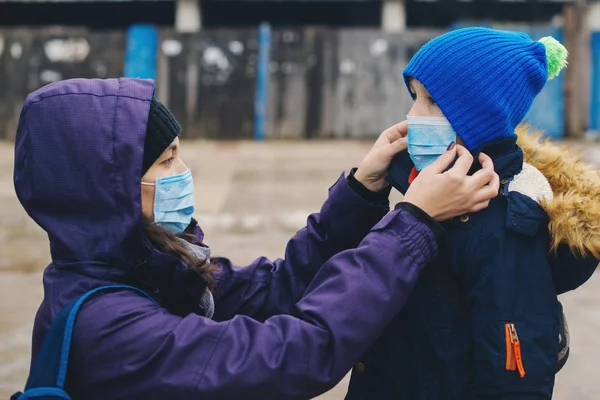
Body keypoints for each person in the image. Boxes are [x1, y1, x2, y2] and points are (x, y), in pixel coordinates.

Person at [13, 78, 500, 399]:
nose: (183, 172)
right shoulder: (109, 328)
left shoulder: (151, 267)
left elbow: (278, 290)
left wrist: (360, 191)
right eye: (165, 162)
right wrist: (411, 225)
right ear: (106, 190)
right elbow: (296, 352)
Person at [346, 27, 600, 400]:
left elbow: (515, 376)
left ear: (480, 118)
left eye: (432, 101)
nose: (413, 114)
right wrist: (363, 190)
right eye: (414, 96)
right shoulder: (412, 188)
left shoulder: (503, 225)